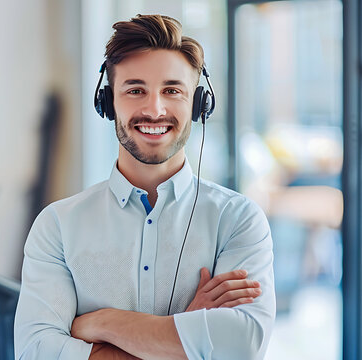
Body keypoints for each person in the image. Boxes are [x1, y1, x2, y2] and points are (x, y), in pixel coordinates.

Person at [14, 14, 275, 360]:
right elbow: (35, 351)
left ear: (198, 104)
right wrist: (186, 332)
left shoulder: (238, 220)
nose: (155, 109)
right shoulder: (58, 226)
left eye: (172, 90)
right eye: (136, 90)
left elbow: (241, 345)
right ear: (107, 103)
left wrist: (100, 323)